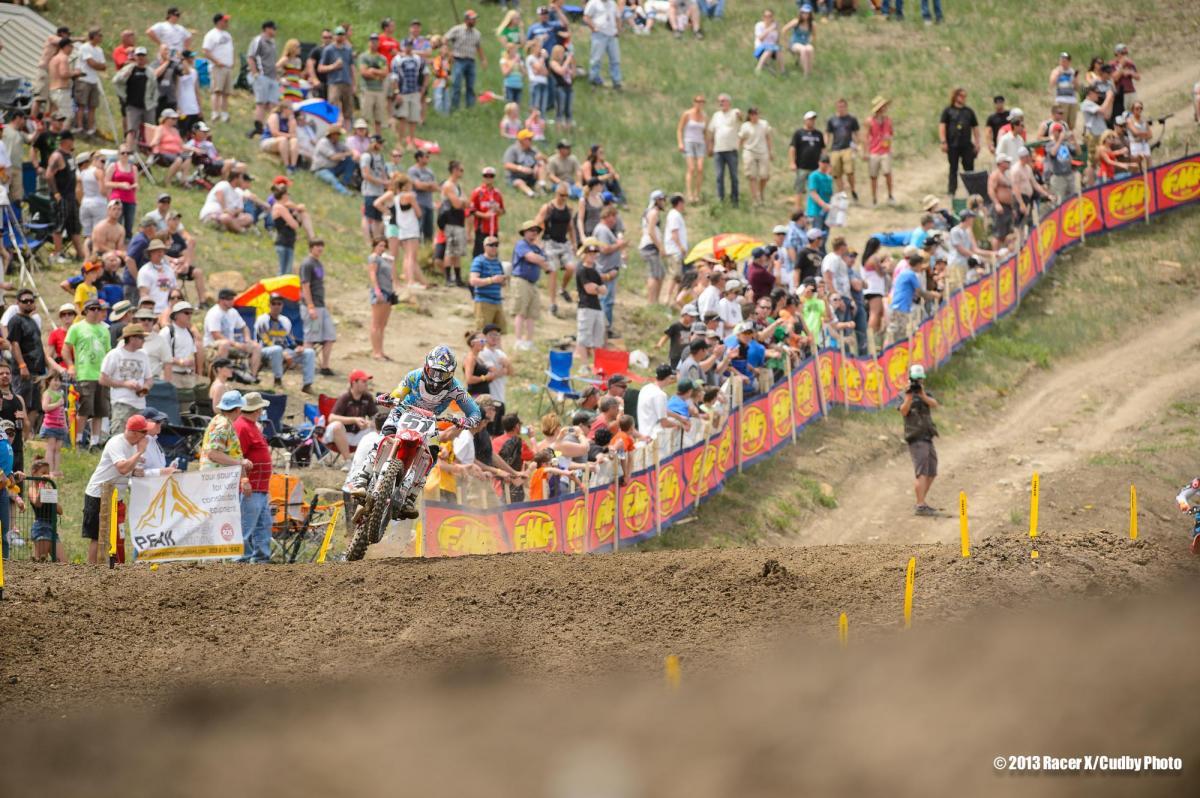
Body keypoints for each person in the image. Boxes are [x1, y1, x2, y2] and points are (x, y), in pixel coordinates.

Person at [349, 347, 482, 519]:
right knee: (384, 439)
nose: (436, 378)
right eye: (433, 371)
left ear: (450, 374)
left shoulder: (456, 389)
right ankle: (362, 479)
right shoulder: (415, 375)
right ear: (427, 366)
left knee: (432, 456)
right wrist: (391, 398)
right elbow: (399, 391)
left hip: (430, 422)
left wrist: (466, 420)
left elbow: (475, 412)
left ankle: (410, 497)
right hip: (403, 413)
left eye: (441, 374)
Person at [82, 415, 173, 564]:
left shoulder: (133, 446)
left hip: (116, 497)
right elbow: (123, 468)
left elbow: (136, 472)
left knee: (115, 535)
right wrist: (139, 453)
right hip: (98, 494)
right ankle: (92, 570)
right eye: (144, 433)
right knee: (97, 536)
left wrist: (163, 472)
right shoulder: (117, 443)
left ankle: (111, 566)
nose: (146, 437)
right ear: (135, 433)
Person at [63, 299, 110, 449]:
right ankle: (78, 440)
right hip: (84, 373)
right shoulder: (77, 328)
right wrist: (71, 365)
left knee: (100, 411)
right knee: (84, 409)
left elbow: (108, 352)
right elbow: (65, 348)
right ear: (86, 311)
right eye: (92, 308)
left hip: (102, 375)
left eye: (98, 309)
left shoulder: (105, 329)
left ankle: (94, 442)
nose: (96, 311)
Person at [232, 392, 272, 564]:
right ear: (257, 409)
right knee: (247, 526)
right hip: (251, 486)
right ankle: (242, 560)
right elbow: (237, 456)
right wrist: (244, 480)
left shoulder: (251, 425)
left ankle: (261, 559)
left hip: (260, 487)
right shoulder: (242, 427)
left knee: (263, 524)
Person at [900, 364, 940, 516]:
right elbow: (903, 411)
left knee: (932, 471)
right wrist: (909, 398)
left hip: (927, 436)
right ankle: (920, 504)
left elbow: (935, 404)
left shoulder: (925, 393)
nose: (918, 383)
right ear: (910, 379)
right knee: (922, 473)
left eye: (919, 380)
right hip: (916, 437)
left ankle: (921, 502)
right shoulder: (904, 394)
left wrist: (922, 395)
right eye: (915, 380)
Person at [99, 323, 153, 435]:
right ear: (132, 338)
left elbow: (149, 379)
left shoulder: (143, 355)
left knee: (138, 435)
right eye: (141, 338)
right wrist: (125, 384)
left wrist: (144, 389)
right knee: (119, 434)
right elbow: (103, 379)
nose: (144, 340)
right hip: (121, 402)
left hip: (140, 404)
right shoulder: (115, 354)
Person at [255, 294, 315, 394]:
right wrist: (283, 352)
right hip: (265, 350)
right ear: (269, 305)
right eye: (274, 303)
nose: (277, 306)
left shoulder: (285, 321)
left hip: (284, 350)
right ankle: (277, 380)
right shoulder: (262, 320)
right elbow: (264, 340)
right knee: (277, 349)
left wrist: (297, 348)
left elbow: (290, 340)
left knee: (309, 352)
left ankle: (307, 385)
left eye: (279, 303)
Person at [536, 181, 578, 317]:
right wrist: (537, 241)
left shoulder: (568, 210)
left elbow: (571, 228)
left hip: (563, 243)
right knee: (552, 271)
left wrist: (574, 243)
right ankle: (552, 303)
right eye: (561, 195)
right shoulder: (548, 207)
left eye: (566, 195)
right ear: (556, 193)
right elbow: (537, 223)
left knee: (571, 267)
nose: (564, 197)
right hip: (549, 241)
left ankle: (563, 289)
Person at [375, 173, 424, 288]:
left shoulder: (397, 195)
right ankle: (395, 282)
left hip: (399, 226)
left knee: (406, 255)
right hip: (394, 226)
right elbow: (377, 203)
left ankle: (410, 279)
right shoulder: (392, 194)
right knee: (395, 256)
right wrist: (387, 212)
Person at [45, 132, 85, 264]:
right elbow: (49, 175)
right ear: (66, 141)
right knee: (59, 226)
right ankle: (57, 253)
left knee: (75, 226)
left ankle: (80, 254)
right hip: (61, 196)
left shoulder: (70, 156)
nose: (73, 142)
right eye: (71, 140)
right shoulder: (57, 156)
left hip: (71, 196)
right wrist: (56, 193)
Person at [511, 219, 550, 351]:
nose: (534, 233)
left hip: (533, 283)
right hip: (521, 280)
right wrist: (541, 259)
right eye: (531, 230)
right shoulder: (521, 244)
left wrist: (541, 258)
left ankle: (528, 341)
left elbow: (546, 263)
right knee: (521, 311)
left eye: (536, 231)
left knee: (531, 314)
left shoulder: (535, 247)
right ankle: (518, 340)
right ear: (524, 232)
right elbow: (533, 258)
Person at [298, 240, 335, 376]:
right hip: (312, 306)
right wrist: (310, 306)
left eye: (322, 246)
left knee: (329, 336)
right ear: (311, 248)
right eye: (317, 246)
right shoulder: (307, 264)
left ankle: (324, 366)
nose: (320, 249)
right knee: (311, 337)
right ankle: (308, 367)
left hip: (321, 306)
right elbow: (305, 285)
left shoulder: (318, 263)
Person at [324, 370, 379, 463]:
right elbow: (331, 418)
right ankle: (348, 462)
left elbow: (376, 417)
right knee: (337, 425)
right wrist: (354, 420)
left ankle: (369, 462)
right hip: (341, 434)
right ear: (354, 383)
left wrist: (369, 423)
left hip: (357, 434)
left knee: (377, 428)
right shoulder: (345, 397)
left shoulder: (367, 397)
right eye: (364, 381)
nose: (366, 384)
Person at [940, 87, 981, 196]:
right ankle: (951, 191)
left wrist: (977, 143)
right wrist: (943, 141)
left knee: (969, 168)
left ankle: (972, 191)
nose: (963, 98)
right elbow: (942, 126)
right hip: (953, 145)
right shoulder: (948, 111)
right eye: (961, 96)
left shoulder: (969, 111)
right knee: (953, 168)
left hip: (966, 145)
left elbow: (975, 128)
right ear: (955, 96)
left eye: (965, 96)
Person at [592, 206, 627, 333]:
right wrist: (619, 245)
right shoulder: (602, 230)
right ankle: (604, 328)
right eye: (613, 216)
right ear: (608, 216)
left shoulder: (605, 230)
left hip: (609, 270)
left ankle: (605, 327)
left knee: (607, 301)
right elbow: (604, 249)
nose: (615, 220)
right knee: (606, 301)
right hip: (606, 270)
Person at [575, 238, 608, 360]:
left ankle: (597, 365)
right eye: (589, 253)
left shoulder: (595, 272)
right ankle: (584, 364)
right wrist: (598, 288)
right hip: (585, 306)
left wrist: (597, 288)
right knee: (584, 337)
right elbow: (589, 288)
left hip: (596, 307)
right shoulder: (582, 270)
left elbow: (603, 290)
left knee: (598, 338)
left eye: (594, 254)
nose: (592, 256)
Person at [446, 10, 487, 111]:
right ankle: (454, 107)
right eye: (472, 19)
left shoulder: (477, 34)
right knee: (457, 85)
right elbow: (445, 39)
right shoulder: (457, 30)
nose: (474, 21)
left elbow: (478, 47)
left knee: (471, 85)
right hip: (458, 60)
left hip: (471, 61)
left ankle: (470, 107)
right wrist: (449, 53)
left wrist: (483, 59)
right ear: (466, 19)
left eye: (475, 19)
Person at [246, 21, 280, 139]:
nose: (275, 31)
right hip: (262, 76)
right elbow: (251, 57)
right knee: (261, 102)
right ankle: (258, 126)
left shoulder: (273, 43)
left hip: (272, 77)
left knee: (273, 104)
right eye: (273, 29)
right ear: (266, 29)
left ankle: (270, 127)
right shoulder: (258, 40)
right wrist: (255, 74)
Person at [318, 26, 357, 128]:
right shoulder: (328, 50)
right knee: (333, 107)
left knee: (348, 110)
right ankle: (333, 129)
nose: (340, 37)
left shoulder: (348, 50)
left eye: (342, 34)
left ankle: (347, 132)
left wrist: (354, 84)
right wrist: (334, 66)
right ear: (335, 36)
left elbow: (352, 67)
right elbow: (321, 68)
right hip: (334, 82)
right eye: (338, 34)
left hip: (347, 82)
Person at [469, 235, 508, 334]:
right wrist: (492, 280)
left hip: (497, 301)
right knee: (482, 333)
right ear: (485, 246)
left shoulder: (498, 262)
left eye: (496, 245)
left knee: (498, 332)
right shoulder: (479, 260)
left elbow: (502, 282)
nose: (494, 247)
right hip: (483, 301)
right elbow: (473, 281)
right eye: (491, 245)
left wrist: (502, 281)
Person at [707, 94, 741, 206]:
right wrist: (710, 146)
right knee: (719, 176)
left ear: (729, 102)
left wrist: (739, 115)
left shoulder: (734, 112)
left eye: (723, 101)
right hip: (718, 151)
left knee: (734, 176)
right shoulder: (716, 115)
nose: (721, 103)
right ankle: (720, 199)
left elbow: (740, 117)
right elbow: (711, 132)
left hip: (731, 150)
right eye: (719, 101)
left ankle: (735, 199)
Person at [440, 161, 469, 287]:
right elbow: (457, 204)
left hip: (459, 221)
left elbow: (467, 203)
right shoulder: (448, 185)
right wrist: (462, 202)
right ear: (454, 170)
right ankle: (448, 278)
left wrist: (462, 201)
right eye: (460, 170)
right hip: (450, 220)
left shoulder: (457, 186)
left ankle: (458, 278)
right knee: (450, 250)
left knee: (457, 252)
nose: (462, 172)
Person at [789, 110, 825, 212]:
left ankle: (813, 209)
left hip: (815, 167)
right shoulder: (799, 133)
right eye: (810, 119)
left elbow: (823, 149)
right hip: (802, 166)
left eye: (813, 119)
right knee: (799, 188)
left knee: (815, 188)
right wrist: (792, 162)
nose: (812, 121)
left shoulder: (818, 134)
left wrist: (824, 163)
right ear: (805, 120)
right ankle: (798, 209)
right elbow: (792, 148)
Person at [74, 28, 107, 137]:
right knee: (82, 105)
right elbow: (91, 63)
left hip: (94, 80)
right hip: (84, 79)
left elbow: (104, 66)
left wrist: (97, 65)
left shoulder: (99, 50)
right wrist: (97, 65)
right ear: (93, 36)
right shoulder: (85, 47)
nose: (101, 37)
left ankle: (90, 128)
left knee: (93, 105)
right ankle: (79, 126)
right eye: (99, 35)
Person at [583, 0, 623, 90]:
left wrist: (618, 30)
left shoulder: (612, 3)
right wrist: (593, 28)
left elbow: (617, 17)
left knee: (615, 60)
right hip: (599, 34)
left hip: (612, 35)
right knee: (596, 59)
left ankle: (616, 82)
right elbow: (586, 17)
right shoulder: (593, 3)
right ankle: (594, 80)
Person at [826, 98, 861, 200]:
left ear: (846, 107)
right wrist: (825, 145)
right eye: (839, 106)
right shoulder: (832, 120)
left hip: (848, 148)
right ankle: (841, 192)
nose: (841, 108)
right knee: (836, 173)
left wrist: (858, 145)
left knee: (849, 171)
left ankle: (853, 189)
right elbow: (828, 133)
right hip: (835, 148)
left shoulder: (851, 119)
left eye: (843, 106)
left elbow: (856, 133)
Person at [202, 13, 235, 122]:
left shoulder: (228, 35)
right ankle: (215, 113)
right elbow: (206, 51)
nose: (226, 23)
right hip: (218, 67)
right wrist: (217, 62)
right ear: (219, 22)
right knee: (217, 91)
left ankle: (224, 114)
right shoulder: (211, 34)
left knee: (226, 92)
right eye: (224, 21)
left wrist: (232, 61)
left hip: (228, 66)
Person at [738, 107, 774, 206]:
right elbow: (741, 139)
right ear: (749, 115)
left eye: (756, 114)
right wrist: (738, 150)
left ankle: (760, 192)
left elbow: (768, 138)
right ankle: (755, 199)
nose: (755, 116)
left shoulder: (764, 124)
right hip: (749, 151)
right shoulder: (745, 126)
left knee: (764, 175)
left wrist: (770, 151)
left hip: (763, 152)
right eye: (753, 114)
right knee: (752, 176)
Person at [677, 95, 708, 205]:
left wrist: (708, 145)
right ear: (694, 102)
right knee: (691, 168)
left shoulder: (704, 116)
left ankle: (697, 194)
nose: (700, 104)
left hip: (700, 143)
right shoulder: (687, 114)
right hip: (689, 141)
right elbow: (680, 129)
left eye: (702, 102)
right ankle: (689, 194)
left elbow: (705, 132)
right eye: (698, 101)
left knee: (700, 168)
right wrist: (680, 143)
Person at [471, 166, 508, 258]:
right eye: (486, 176)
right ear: (483, 177)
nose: (488, 178)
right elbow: (472, 210)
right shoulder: (477, 192)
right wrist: (484, 215)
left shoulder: (497, 193)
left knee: (493, 253)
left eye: (491, 176)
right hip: (481, 229)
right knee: (480, 253)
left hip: (493, 229)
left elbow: (503, 211)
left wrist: (498, 210)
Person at [866, 96, 895, 205]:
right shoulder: (870, 121)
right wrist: (865, 151)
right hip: (874, 151)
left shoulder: (888, 120)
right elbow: (866, 137)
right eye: (882, 106)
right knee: (873, 176)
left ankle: (890, 196)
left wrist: (889, 139)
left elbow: (891, 133)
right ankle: (874, 198)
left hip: (885, 150)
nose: (884, 108)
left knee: (887, 173)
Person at [311, 127, 356, 195]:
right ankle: (346, 193)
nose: (339, 136)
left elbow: (351, 151)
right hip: (321, 169)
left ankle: (344, 183)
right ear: (332, 135)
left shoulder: (338, 143)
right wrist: (347, 153)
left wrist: (351, 153)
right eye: (338, 134)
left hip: (334, 168)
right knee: (332, 180)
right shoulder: (323, 142)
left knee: (351, 161)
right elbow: (333, 157)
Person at [662, 194, 689, 304]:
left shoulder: (676, 215)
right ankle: (668, 298)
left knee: (678, 275)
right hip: (675, 250)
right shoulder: (674, 215)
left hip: (676, 249)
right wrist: (681, 247)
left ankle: (675, 298)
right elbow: (674, 234)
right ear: (679, 203)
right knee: (675, 274)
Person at [408, 150, 439, 243]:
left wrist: (426, 186)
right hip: (418, 204)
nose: (428, 159)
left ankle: (427, 250)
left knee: (429, 230)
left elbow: (436, 187)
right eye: (426, 156)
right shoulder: (413, 170)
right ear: (419, 158)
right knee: (418, 229)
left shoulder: (429, 171)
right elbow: (418, 186)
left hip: (429, 204)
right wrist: (429, 185)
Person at [781, 4, 816, 77]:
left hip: (805, 43)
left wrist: (811, 41)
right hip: (795, 43)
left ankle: (810, 71)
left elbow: (814, 35)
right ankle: (805, 73)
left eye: (807, 13)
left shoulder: (812, 24)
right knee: (803, 50)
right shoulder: (796, 22)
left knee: (810, 49)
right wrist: (786, 42)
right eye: (803, 13)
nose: (805, 15)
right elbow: (784, 30)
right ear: (801, 13)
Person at [806, 154, 834, 230]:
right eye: (823, 162)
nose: (824, 164)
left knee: (824, 235)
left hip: (827, 211)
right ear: (819, 162)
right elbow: (813, 193)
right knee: (816, 234)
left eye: (826, 162)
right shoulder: (814, 176)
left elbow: (830, 193)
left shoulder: (829, 178)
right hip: (816, 211)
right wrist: (823, 205)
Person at [753, 9, 781, 75]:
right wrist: (770, 28)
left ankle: (782, 70)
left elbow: (776, 41)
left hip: (772, 47)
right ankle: (758, 68)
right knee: (770, 49)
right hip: (760, 47)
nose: (768, 18)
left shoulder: (774, 28)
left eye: (770, 16)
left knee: (779, 49)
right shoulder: (759, 25)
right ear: (763, 17)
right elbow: (760, 38)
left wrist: (777, 31)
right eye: (766, 16)